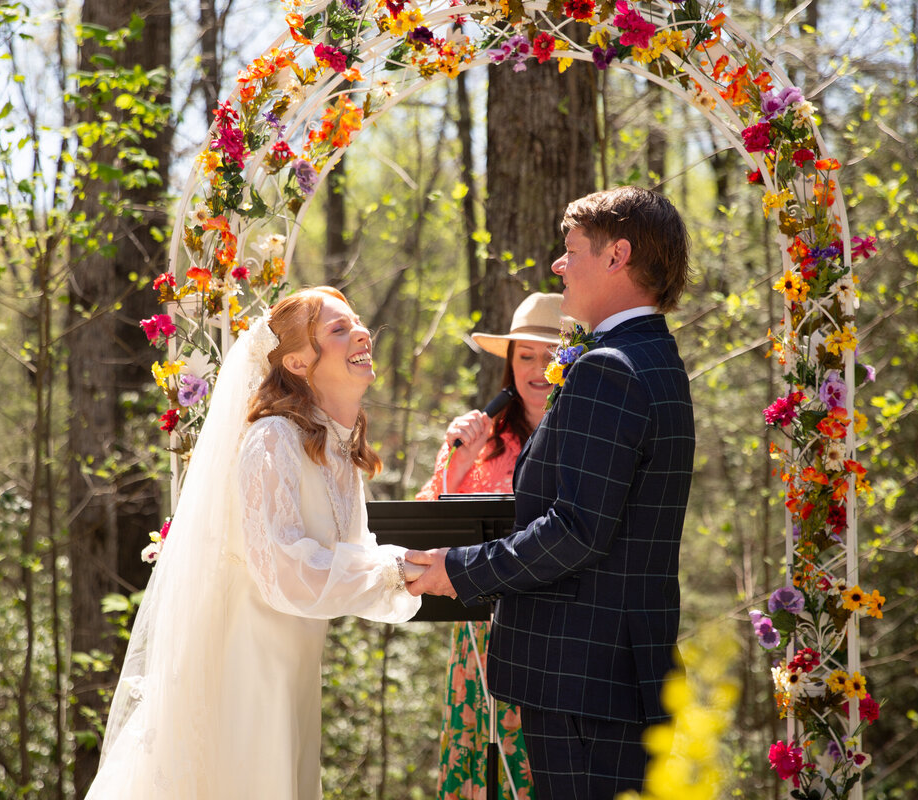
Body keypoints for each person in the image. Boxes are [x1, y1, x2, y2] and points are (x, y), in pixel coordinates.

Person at [407, 187, 695, 799]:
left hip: (582, 681)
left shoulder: (608, 367)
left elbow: (576, 529)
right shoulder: (656, 356)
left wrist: (456, 570)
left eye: (571, 251)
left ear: (617, 256)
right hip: (617, 675)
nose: (560, 266)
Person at [87, 286, 422, 800]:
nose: (361, 332)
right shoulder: (273, 441)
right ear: (296, 361)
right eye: (337, 328)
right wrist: (399, 571)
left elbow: (347, 555)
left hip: (293, 670)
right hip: (245, 673)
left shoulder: (335, 446)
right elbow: (286, 574)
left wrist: (409, 568)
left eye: (357, 321)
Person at [416, 292, 566, 800]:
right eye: (526, 355)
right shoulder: (478, 439)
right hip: (480, 632)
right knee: (478, 762)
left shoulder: (585, 431)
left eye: (551, 355)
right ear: (509, 363)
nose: (537, 368)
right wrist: (458, 467)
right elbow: (424, 532)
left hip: (557, 632)